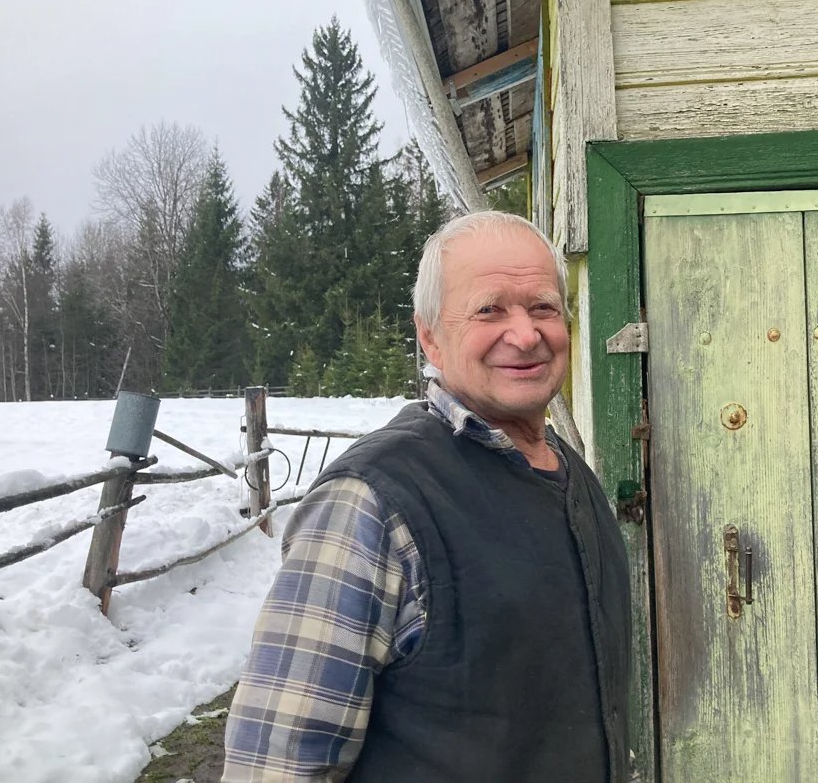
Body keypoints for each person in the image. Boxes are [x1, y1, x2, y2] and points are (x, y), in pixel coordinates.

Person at [222, 211, 631, 783]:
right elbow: (276, 764)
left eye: (542, 306)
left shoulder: (568, 470)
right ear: (430, 336)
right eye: (489, 309)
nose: (525, 333)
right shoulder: (370, 501)